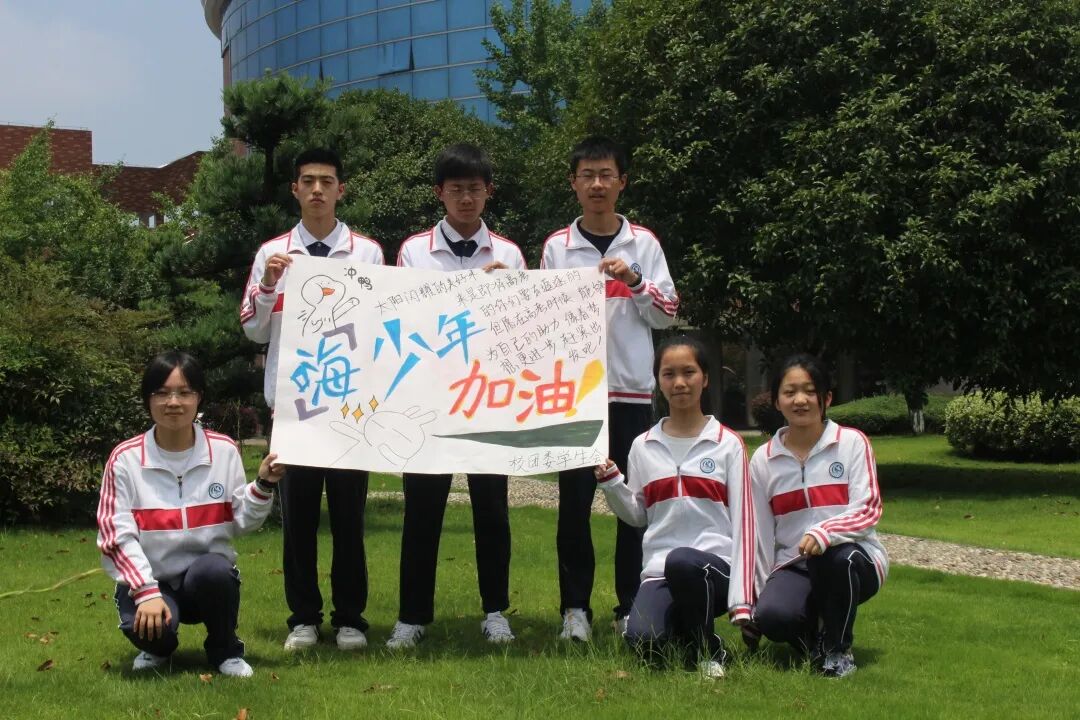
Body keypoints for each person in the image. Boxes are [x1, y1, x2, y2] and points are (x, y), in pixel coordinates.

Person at [240, 148, 385, 651]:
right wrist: (268, 284)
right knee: (298, 519)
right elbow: (253, 329)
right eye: (308, 181)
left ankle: (350, 619)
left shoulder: (366, 253)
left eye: (327, 181)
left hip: (349, 407)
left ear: (341, 189)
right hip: (293, 409)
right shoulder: (272, 253)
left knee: (349, 517)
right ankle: (302, 618)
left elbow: (383, 324)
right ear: (295, 190)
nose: (317, 189)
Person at [386, 142, 527, 649]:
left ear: (488, 192)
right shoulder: (413, 252)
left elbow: (524, 328)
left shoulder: (509, 255)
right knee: (422, 511)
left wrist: (509, 294)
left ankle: (496, 612)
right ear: (439, 193)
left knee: (493, 511)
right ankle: (412, 616)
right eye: (456, 189)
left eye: (474, 188)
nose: (466, 198)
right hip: (428, 400)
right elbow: (403, 316)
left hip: (489, 398)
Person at [540, 135, 680, 640]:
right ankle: (574, 609)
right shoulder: (558, 247)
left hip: (630, 393)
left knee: (632, 505)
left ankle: (630, 606)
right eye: (587, 175)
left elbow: (668, 314)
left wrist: (636, 281)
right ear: (573, 183)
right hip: (575, 397)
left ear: (622, 182)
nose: (597, 184)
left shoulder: (644, 244)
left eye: (606, 175)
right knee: (573, 506)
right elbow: (540, 319)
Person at [96, 351, 284, 676]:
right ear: (147, 399)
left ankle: (225, 650)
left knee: (216, 571)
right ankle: (157, 648)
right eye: (162, 392)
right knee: (153, 632)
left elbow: (241, 518)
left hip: (203, 580)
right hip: (151, 580)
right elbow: (116, 535)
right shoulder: (125, 459)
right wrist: (145, 591)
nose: (173, 402)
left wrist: (264, 484)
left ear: (199, 398)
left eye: (184, 392)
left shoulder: (223, 451)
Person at [595, 336, 755, 679]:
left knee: (683, 561)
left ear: (705, 378)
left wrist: (745, 597)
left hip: (716, 569)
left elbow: (745, 519)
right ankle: (685, 630)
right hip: (660, 571)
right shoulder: (643, 446)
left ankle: (708, 648)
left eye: (688, 372)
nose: (679, 382)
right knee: (643, 641)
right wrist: (612, 483)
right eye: (669, 374)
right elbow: (637, 514)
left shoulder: (727, 444)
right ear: (658, 381)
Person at [748, 354, 888, 677]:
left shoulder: (852, 443)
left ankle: (838, 651)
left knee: (836, 560)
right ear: (776, 401)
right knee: (772, 616)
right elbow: (759, 536)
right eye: (790, 392)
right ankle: (817, 642)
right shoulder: (763, 461)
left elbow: (868, 508)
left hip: (854, 559)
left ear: (826, 398)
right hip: (794, 565)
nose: (800, 400)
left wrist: (825, 533)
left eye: (810, 391)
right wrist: (753, 600)